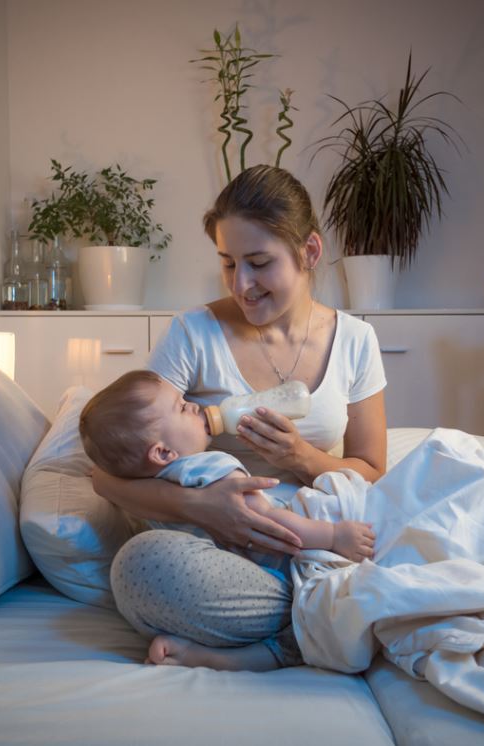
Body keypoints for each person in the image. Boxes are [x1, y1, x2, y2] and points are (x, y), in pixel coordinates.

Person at [93, 164, 388, 672]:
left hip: (315, 542)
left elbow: (372, 472)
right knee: (139, 568)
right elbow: (108, 473)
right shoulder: (193, 333)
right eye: (228, 264)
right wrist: (206, 508)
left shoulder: (356, 341)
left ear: (308, 252)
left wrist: (302, 456)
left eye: (258, 262)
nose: (242, 285)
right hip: (229, 560)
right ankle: (338, 619)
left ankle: (324, 616)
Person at [78, 368, 377, 573]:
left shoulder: (149, 496)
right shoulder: (210, 467)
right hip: (283, 558)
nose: (195, 406)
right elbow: (269, 520)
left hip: (233, 568)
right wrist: (333, 536)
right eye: (182, 408)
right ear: (163, 452)